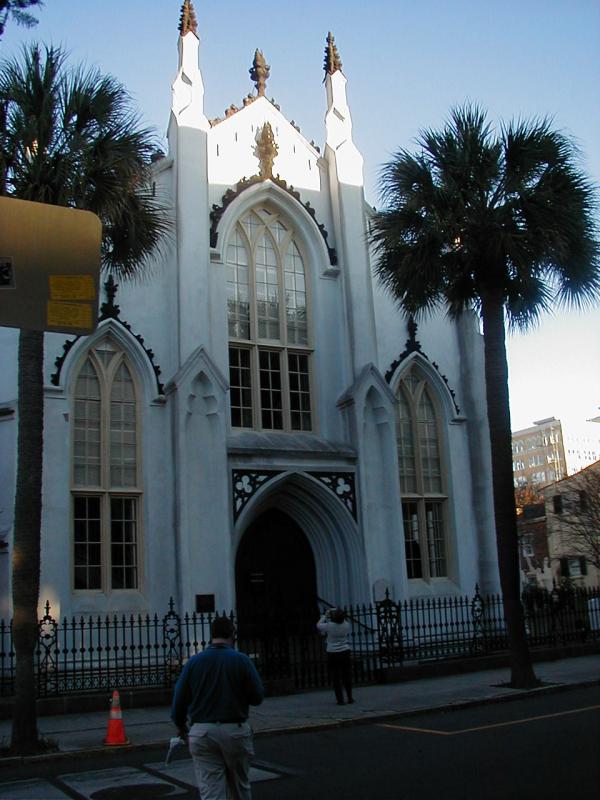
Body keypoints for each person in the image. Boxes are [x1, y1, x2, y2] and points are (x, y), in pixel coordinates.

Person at [171, 615, 264, 800]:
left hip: (202, 731)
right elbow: (257, 697)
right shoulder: (241, 660)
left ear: (212, 635)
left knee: (211, 791)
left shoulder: (193, 662)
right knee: (240, 788)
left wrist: (182, 726)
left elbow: (178, 703)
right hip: (234, 729)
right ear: (232, 634)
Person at [317, 607, 354, 705]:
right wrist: (338, 612)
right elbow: (343, 619)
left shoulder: (329, 626)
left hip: (333, 652)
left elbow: (318, 625)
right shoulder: (346, 625)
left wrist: (325, 615)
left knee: (336, 677)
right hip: (345, 651)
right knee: (347, 675)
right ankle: (350, 697)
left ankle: (340, 700)